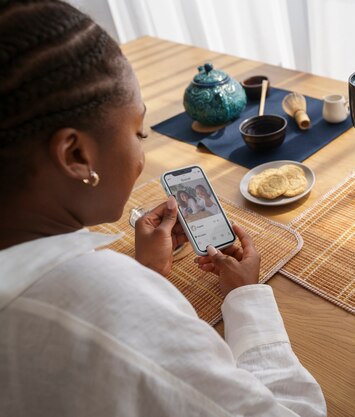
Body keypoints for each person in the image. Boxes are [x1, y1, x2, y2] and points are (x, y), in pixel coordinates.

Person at [0, 1, 325, 416]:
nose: (141, 152)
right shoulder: (103, 306)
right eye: (139, 132)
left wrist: (148, 275)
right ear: (76, 154)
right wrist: (245, 298)